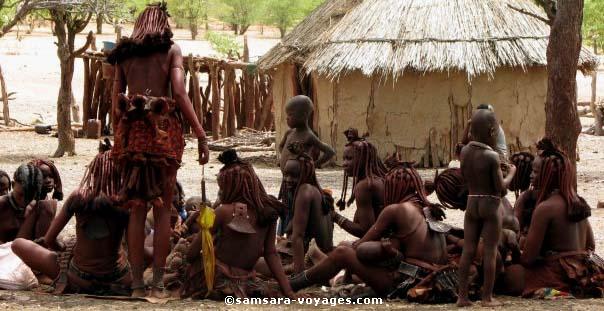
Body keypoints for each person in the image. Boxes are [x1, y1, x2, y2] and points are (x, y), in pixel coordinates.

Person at [108, 3, 210, 298]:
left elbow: (117, 101)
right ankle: (158, 283)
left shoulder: (124, 55)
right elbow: (178, 92)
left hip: (133, 134)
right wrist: (201, 135)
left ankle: (138, 285)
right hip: (164, 132)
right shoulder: (172, 51)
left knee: (137, 207)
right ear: (162, 23)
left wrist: (121, 137)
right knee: (163, 208)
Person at [289, 162, 456, 303]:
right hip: (436, 280)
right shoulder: (427, 208)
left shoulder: (396, 210)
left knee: (342, 252)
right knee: (348, 250)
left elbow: (359, 246)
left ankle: (292, 285)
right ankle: (317, 273)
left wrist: (349, 253)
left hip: (410, 284)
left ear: (393, 187)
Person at [12, 147, 131, 296]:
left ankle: (66, 281)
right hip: (118, 278)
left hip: (78, 278)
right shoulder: (127, 201)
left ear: (93, 171)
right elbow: (135, 246)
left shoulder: (78, 196)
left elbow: (49, 240)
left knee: (18, 244)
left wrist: (63, 247)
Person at [181, 150, 295, 299]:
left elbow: (191, 255)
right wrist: (288, 291)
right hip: (245, 280)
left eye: (221, 188)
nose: (221, 193)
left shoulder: (223, 212)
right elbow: (271, 253)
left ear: (230, 187)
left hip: (217, 279)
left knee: (180, 254)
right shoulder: (268, 212)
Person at [516, 139, 602, 298]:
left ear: (547, 176)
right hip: (581, 272)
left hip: (556, 275)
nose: (530, 176)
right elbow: (590, 245)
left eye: (535, 172)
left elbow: (528, 259)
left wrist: (520, 207)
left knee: (507, 275)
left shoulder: (545, 208)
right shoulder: (577, 201)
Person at [457, 109, 516, 307]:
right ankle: (487, 298)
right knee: (490, 251)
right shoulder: (491, 156)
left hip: (472, 203)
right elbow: (501, 187)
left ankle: (462, 297)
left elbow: (466, 177)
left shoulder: (464, 152)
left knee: (468, 250)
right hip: (490, 206)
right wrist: (512, 173)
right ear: (492, 132)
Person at [277, 95, 335, 235]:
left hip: (300, 181)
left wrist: (313, 165)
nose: (287, 118)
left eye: (290, 115)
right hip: (287, 181)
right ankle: (286, 236)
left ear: (303, 116)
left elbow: (329, 151)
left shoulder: (308, 136)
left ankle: (297, 235)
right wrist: (284, 159)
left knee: (298, 208)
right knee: (286, 206)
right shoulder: (289, 132)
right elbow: (281, 147)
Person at [281, 141, 334, 273]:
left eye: (294, 175)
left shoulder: (304, 191)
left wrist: (299, 276)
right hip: (325, 254)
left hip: (310, 260)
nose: (287, 179)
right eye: (285, 175)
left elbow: (298, 236)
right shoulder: (316, 190)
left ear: (305, 174)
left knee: (256, 263)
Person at [332, 129, 387, 238]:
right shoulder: (379, 179)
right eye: (343, 159)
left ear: (364, 159)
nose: (344, 164)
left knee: (343, 250)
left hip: (384, 245)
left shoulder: (365, 186)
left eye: (349, 159)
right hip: (391, 242)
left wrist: (334, 216)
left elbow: (365, 232)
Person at [0, 164, 43, 243]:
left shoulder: (38, 206)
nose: (24, 200)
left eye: (29, 196)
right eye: (20, 195)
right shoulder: (2, 205)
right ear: (13, 185)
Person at [27, 159, 64, 241]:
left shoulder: (48, 199)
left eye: (51, 176)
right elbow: (42, 238)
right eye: (43, 177)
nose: (48, 181)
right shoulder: (32, 203)